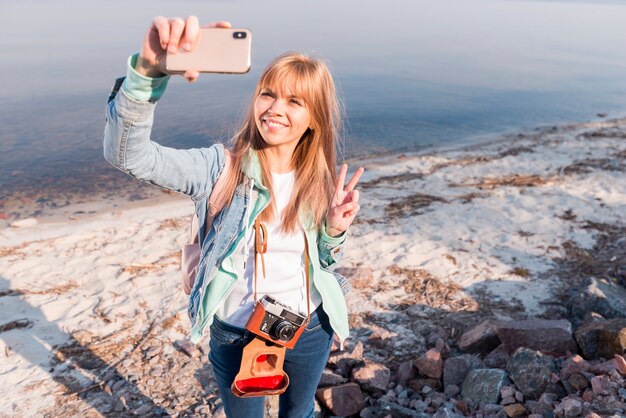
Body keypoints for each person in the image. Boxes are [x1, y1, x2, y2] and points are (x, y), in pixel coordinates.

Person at [104, 15, 363, 418]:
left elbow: (325, 264)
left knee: (301, 415)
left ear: (314, 119)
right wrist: (146, 73)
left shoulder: (321, 179)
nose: (275, 109)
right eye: (268, 94)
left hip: (310, 326)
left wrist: (334, 231)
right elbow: (129, 156)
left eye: (295, 102)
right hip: (236, 333)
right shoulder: (219, 168)